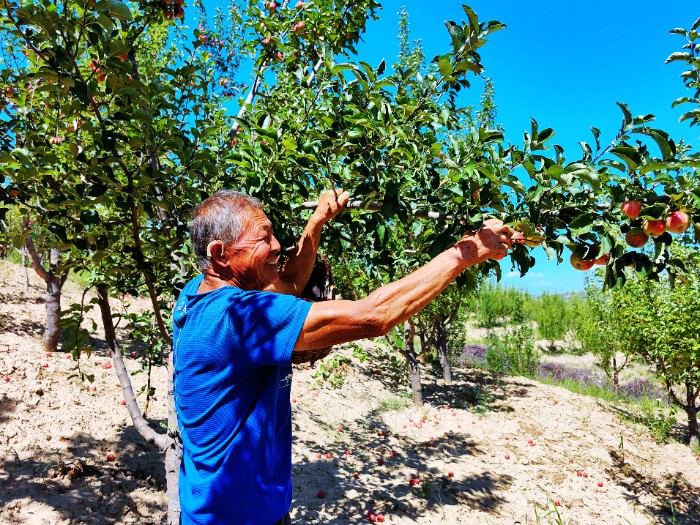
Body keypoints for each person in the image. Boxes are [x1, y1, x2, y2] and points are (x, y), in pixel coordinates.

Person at [172, 188, 514, 525]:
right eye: (264, 238)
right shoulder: (241, 318)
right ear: (220, 253)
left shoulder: (195, 294)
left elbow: (289, 283)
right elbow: (375, 315)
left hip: (234, 508)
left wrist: (317, 222)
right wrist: (464, 253)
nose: (277, 245)